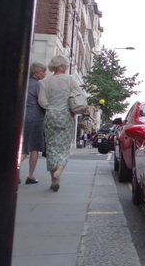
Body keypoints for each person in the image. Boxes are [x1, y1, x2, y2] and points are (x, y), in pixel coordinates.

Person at [38, 54, 88, 192]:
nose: (66, 67)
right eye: (65, 65)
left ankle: (54, 179)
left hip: (51, 116)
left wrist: (51, 108)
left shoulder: (44, 82)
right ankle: (59, 170)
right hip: (66, 116)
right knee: (64, 147)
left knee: (52, 147)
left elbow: (42, 101)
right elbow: (81, 95)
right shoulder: (70, 79)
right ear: (62, 66)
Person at [20, 61, 47, 184]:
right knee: (33, 148)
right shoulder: (38, 85)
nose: (45, 74)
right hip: (36, 118)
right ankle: (30, 176)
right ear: (36, 72)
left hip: (23, 117)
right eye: (43, 71)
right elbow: (42, 102)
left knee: (23, 146)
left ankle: (15, 173)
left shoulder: (24, 83)